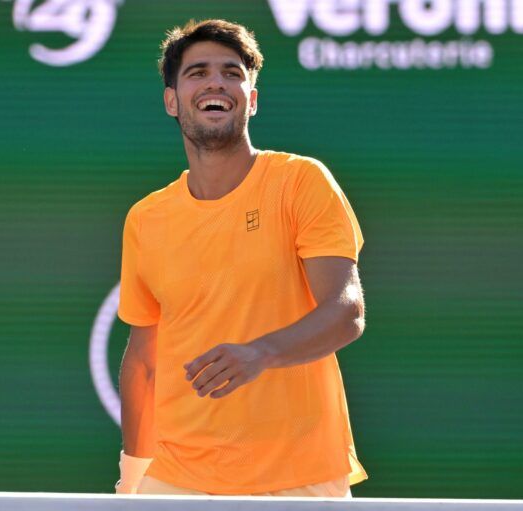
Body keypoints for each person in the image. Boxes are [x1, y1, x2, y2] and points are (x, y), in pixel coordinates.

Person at [115, 19, 368, 497]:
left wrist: (260, 353)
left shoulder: (301, 181)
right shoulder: (145, 218)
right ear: (171, 101)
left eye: (231, 73)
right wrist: (133, 478)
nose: (215, 83)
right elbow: (144, 362)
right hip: (175, 480)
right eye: (198, 73)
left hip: (300, 478)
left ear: (251, 99)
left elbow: (345, 312)